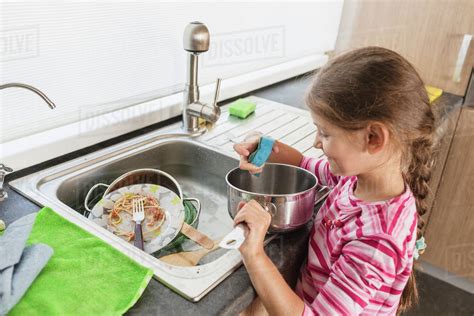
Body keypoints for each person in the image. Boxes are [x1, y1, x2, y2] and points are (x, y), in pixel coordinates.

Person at [234, 46, 435, 315]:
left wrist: (254, 252)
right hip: (305, 297)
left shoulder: (377, 240)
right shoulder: (358, 178)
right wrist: (267, 148)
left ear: (373, 138)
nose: (315, 143)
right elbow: (306, 166)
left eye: (325, 134)